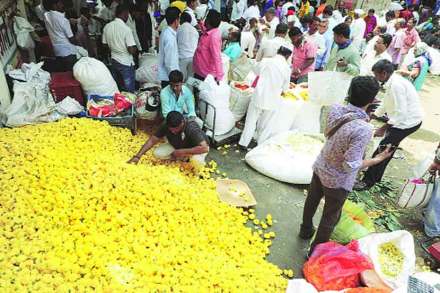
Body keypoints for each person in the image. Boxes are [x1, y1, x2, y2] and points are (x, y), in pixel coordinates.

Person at [299, 76, 393, 254]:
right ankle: (314, 253)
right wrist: (377, 160)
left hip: (321, 166)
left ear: (349, 92)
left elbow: (330, 135)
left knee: (312, 200)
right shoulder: (363, 128)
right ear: (373, 101)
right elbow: (350, 165)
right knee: (330, 217)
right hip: (337, 180)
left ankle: (305, 229)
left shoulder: (335, 109)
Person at [355, 60, 424, 190]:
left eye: (376, 74)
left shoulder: (396, 85)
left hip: (408, 122)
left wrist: (384, 127)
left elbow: (401, 112)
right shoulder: (392, 81)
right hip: (402, 119)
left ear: (384, 73)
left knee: (383, 149)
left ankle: (367, 182)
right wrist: (373, 115)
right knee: (388, 149)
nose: (375, 78)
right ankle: (375, 176)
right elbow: (386, 102)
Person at [238, 46, 293, 149]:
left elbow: (255, 70)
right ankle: (260, 144)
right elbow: (285, 88)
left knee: (250, 121)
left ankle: (243, 143)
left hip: (259, 95)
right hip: (273, 99)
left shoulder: (266, 61)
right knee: (266, 124)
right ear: (288, 56)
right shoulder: (286, 68)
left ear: (277, 51)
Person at [128, 111, 209, 165]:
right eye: (171, 130)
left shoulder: (191, 127)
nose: (173, 132)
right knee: (157, 153)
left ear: (182, 122)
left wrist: (182, 151)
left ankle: (187, 159)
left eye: (176, 129)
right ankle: (182, 158)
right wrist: (138, 156)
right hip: (177, 146)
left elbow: (204, 148)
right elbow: (152, 140)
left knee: (197, 161)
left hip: (195, 148)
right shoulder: (166, 124)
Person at [102, 4, 137, 92]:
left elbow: (104, 45)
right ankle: (129, 105)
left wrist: (114, 48)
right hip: (126, 62)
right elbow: (131, 50)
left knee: (118, 88)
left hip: (114, 61)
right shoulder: (126, 29)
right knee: (129, 91)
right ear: (125, 13)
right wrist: (135, 48)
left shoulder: (107, 27)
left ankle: (121, 104)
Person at [43, 0, 78, 71]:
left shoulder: (46, 15)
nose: (63, 5)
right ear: (54, 5)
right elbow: (72, 39)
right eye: (60, 3)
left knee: (63, 72)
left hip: (57, 51)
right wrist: (78, 42)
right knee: (72, 73)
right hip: (68, 52)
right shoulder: (63, 20)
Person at [193, 10, 224, 83]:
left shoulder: (214, 36)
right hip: (199, 72)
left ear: (209, 21)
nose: (205, 20)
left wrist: (219, 78)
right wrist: (201, 24)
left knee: (201, 93)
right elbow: (205, 31)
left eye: (206, 18)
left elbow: (217, 57)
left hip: (205, 76)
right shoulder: (209, 31)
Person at [158, 7, 180, 89]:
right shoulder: (169, 37)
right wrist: (175, 80)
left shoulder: (166, 31)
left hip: (167, 75)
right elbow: (169, 61)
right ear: (176, 20)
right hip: (170, 77)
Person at [177, 12, 199, 81]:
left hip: (182, 57)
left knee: (181, 79)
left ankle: (181, 91)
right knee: (190, 80)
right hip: (193, 57)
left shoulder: (179, 29)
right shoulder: (195, 30)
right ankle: (190, 91)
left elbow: (175, 42)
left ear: (182, 19)